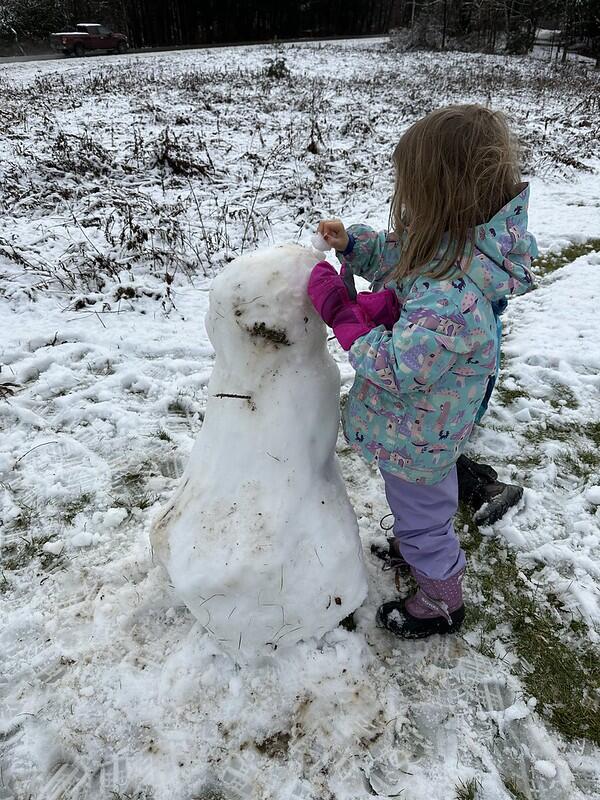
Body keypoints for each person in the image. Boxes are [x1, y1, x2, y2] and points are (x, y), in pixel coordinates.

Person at [307, 104, 537, 639]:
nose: (405, 200)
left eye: (412, 189)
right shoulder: (452, 244)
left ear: (441, 193)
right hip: (420, 424)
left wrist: (345, 317)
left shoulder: (452, 300)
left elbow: (396, 366)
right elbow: (399, 255)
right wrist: (354, 245)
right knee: (416, 507)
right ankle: (420, 550)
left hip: (421, 433)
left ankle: (441, 598)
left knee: (424, 520)